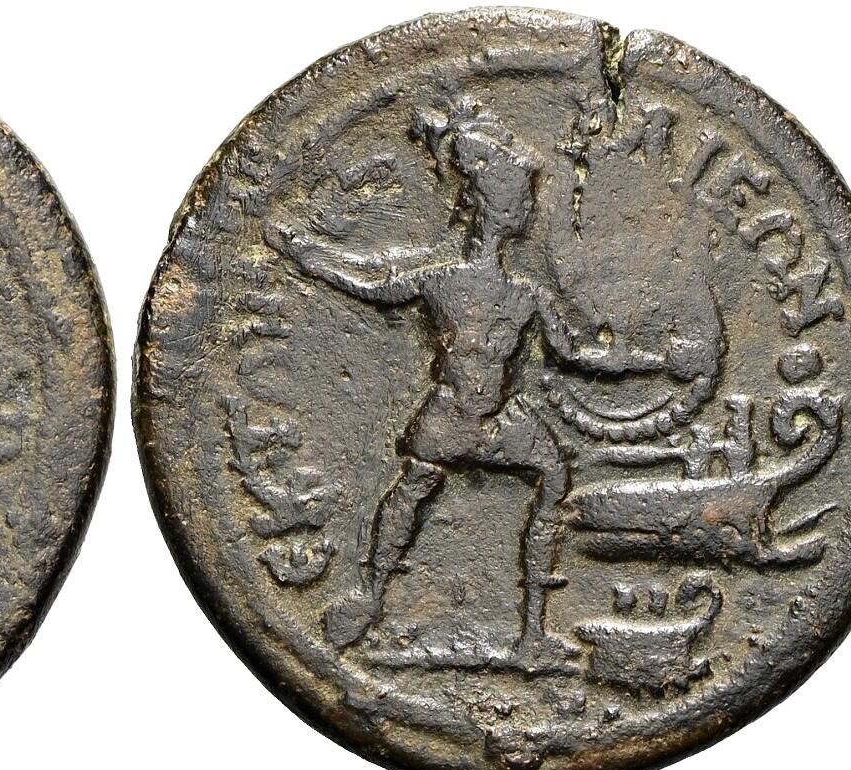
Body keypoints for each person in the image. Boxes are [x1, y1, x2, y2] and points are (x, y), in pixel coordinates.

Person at [266, 109, 674, 666]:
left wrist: (654, 359)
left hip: (498, 423)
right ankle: (376, 598)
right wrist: (305, 254)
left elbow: (576, 354)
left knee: (544, 476)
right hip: (453, 417)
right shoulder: (451, 282)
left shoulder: (522, 293)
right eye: (520, 201)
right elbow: (372, 284)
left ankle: (530, 632)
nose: (528, 210)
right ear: (496, 208)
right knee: (417, 488)